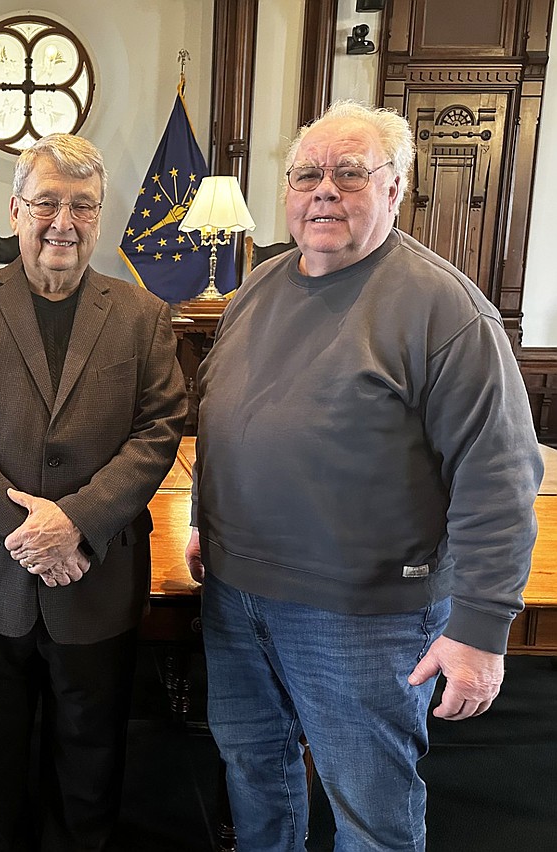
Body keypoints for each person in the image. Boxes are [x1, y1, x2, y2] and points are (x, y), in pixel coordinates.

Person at [186, 100, 543, 851]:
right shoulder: (258, 287)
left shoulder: (444, 310)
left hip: (361, 616)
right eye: (308, 173)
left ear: (394, 187)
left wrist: (480, 631)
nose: (324, 190)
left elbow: (500, 476)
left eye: (350, 173)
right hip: (235, 596)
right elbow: (226, 420)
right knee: (255, 773)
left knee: (370, 811)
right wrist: (208, 527)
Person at [0, 133, 188, 851]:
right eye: (46, 203)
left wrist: (75, 523)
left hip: (94, 577)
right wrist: (27, 535)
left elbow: (160, 429)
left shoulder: (141, 315)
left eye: (81, 206)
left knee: (90, 758)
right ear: (16, 209)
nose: (62, 222)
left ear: (99, 218)